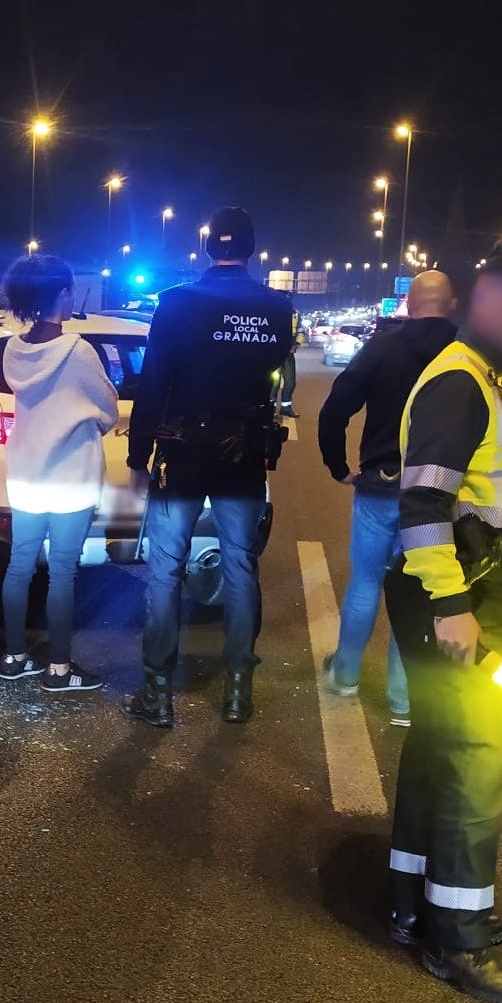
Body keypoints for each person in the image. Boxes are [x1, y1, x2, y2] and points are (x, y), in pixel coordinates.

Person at [383, 240, 502, 1003]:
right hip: (453, 594)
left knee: (438, 744)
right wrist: (452, 605)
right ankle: (456, 939)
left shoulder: (494, 379)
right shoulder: (461, 381)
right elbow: (422, 503)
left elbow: (484, 490)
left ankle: (410, 904)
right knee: (477, 754)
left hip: (465, 587)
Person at [124, 206, 294, 727]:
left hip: (181, 451)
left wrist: (138, 453)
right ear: (251, 248)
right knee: (241, 565)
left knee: (165, 569)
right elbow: (277, 381)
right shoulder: (275, 306)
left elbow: (154, 381)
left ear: (207, 250)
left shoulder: (176, 303)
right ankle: (239, 688)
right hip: (242, 452)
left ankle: (158, 692)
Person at [316, 270, 459, 727]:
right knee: (415, 590)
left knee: (365, 582)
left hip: (381, 483)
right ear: (452, 305)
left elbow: (335, 408)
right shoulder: (467, 356)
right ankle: (403, 699)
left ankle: (346, 674)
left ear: (409, 305)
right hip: (438, 494)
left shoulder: (382, 346)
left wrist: (339, 467)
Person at [0, 254, 119, 692]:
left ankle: (14, 657)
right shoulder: (78, 351)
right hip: (71, 477)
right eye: (70, 291)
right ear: (62, 294)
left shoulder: (13, 349)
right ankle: (60, 670)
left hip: (26, 475)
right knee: (62, 572)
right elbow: (106, 409)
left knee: (19, 566)